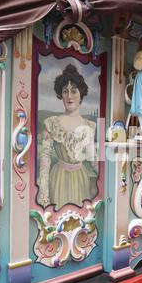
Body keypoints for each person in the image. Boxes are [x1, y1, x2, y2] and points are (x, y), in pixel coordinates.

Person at [37, 64, 97, 209]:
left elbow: (92, 158)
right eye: (65, 91)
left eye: (74, 91)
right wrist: (43, 190)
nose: (69, 96)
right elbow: (45, 158)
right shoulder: (52, 123)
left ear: (81, 94)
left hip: (81, 179)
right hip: (58, 179)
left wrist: (104, 177)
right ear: (60, 94)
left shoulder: (88, 126)